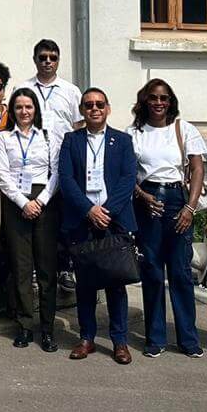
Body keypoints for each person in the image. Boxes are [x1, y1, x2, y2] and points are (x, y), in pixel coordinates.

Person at [59, 87, 138, 364]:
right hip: (83, 220)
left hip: (113, 221)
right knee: (86, 285)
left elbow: (128, 178)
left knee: (116, 282)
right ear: (82, 109)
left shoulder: (123, 140)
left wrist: (107, 211)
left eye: (99, 104)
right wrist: (89, 210)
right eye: (88, 105)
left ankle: (120, 341)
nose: (94, 109)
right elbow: (66, 179)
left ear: (108, 109)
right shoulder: (72, 140)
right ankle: (87, 338)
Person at [129, 78, 207, 358]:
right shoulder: (134, 132)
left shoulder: (183, 129)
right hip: (147, 199)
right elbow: (127, 173)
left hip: (177, 199)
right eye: (153, 97)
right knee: (150, 269)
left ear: (170, 101)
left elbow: (197, 170)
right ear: (144, 101)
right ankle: (155, 338)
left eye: (164, 98)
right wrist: (141, 195)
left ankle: (188, 338)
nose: (158, 103)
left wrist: (190, 208)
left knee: (180, 271)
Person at [0, 88, 63, 351]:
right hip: (16, 203)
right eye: (19, 107)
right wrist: (24, 203)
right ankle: (24, 326)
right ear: (12, 111)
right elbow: (2, 173)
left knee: (46, 271)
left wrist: (40, 201)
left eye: (29, 107)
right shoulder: (4, 138)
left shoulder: (47, 137)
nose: (24, 112)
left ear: (36, 110)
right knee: (21, 269)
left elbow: (56, 172)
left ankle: (47, 329)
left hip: (44, 200)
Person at [9, 39, 79, 136]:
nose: (48, 61)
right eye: (43, 57)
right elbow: (12, 122)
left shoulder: (71, 91)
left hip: (63, 149)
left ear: (58, 60)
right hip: (29, 149)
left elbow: (79, 125)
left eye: (53, 58)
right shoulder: (21, 89)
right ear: (34, 59)